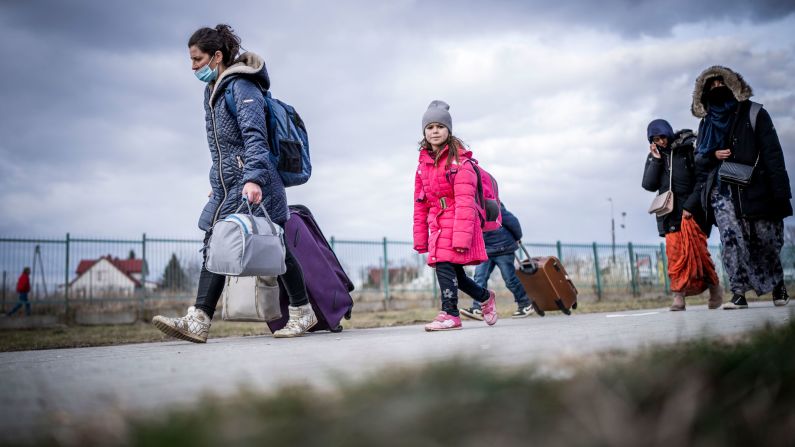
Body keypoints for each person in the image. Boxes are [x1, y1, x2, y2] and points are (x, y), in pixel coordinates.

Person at [152, 24, 316, 342]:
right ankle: (199, 318)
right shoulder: (211, 91)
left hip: (257, 183)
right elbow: (222, 149)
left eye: (197, 59)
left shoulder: (241, 86)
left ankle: (302, 311)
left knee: (275, 248)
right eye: (190, 60)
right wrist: (217, 180)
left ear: (216, 56)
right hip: (230, 185)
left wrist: (253, 178)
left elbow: (255, 138)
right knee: (217, 244)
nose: (193, 66)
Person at [689, 65, 792, 309]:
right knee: (731, 240)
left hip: (757, 189)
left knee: (765, 240)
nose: (717, 89)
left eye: (721, 84)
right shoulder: (706, 124)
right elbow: (699, 161)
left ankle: (778, 287)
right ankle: (738, 293)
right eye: (711, 86)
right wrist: (713, 154)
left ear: (733, 86)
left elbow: (773, 155)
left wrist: (781, 195)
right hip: (723, 192)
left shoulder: (755, 114)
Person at [413, 100, 498, 331]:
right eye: (429, 127)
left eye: (439, 126)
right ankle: (485, 297)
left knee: (443, 264)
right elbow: (420, 204)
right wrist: (420, 238)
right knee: (455, 275)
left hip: (458, 221)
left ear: (448, 130)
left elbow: (465, 201)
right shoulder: (422, 166)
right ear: (424, 132)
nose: (435, 131)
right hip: (436, 223)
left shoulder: (461, 163)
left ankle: (450, 313)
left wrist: (462, 239)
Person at [642, 119, 722, 311]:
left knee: (699, 254)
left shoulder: (688, 148)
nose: (660, 141)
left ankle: (714, 288)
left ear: (668, 133)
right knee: (675, 256)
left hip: (693, 211)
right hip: (670, 214)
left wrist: (691, 205)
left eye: (662, 137)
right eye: (655, 139)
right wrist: (655, 160)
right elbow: (648, 185)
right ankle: (678, 297)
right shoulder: (655, 155)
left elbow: (702, 179)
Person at [460, 203, 535, 319]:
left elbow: (513, 222)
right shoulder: (472, 208)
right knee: (479, 277)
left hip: (503, 248)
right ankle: (478, 308)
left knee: (510, 279)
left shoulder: (495, 206)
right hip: (486, 250)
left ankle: (525, 304)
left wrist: (517, 237)